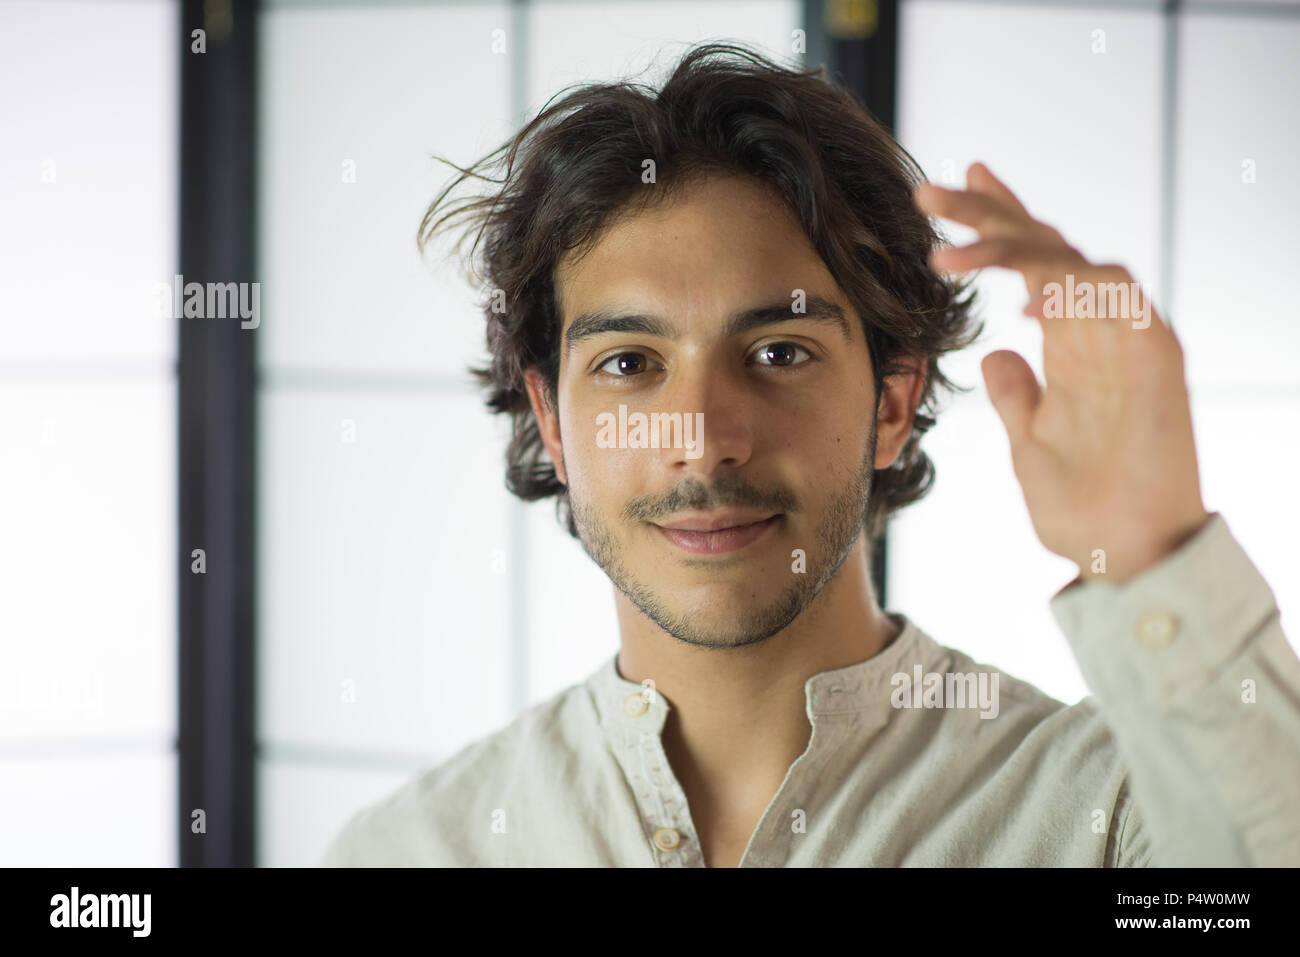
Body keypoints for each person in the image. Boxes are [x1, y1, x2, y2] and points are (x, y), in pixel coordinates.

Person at [322, 42, 1300, 867]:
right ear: (550, 417)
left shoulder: (1115, 823)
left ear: (892, 399)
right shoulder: (409, 850)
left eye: (779, 352)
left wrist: (1154, 551)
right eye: (629, 362)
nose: (701, 437)